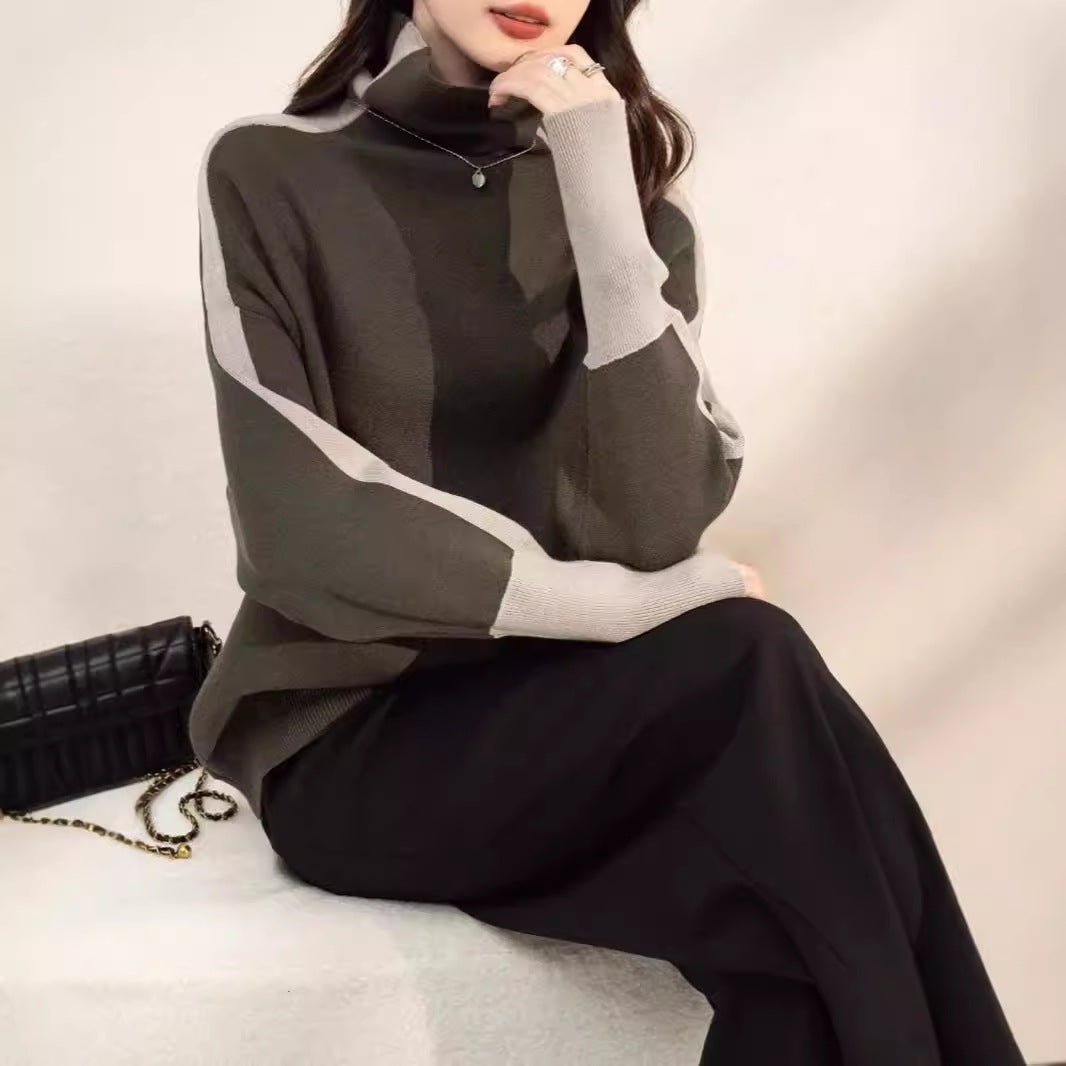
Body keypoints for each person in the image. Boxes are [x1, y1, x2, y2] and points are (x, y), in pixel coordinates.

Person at [187, 1, 1026, 1062]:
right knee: (753, 665)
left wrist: (601, 198)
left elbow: (656, 517)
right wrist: (625, 607)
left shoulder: (627, 206)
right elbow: (297, 522)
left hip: (577, 726)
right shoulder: (271, 170)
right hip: (356, 740)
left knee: (789, 946)